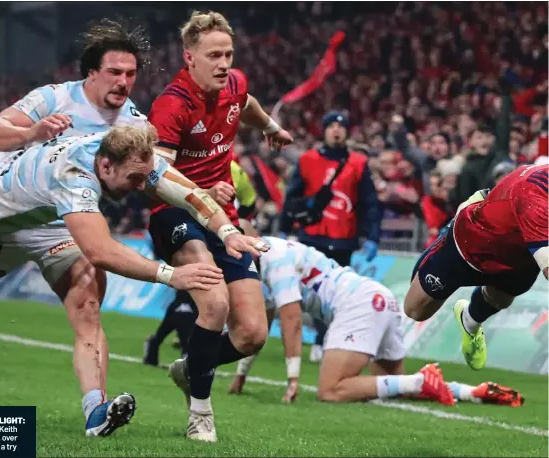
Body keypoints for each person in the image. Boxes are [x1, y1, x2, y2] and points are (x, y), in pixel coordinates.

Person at [0, 126, 266, 436]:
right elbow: (100, 250)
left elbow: (192, 196)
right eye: (134, 179)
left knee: (87, 297)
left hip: (44, 222)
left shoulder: (134, 156)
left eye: (145, 176)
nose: (143, 186)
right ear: (105, 166)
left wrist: (228, 233)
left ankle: (96, 411)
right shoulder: (74, 178)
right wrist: (172, 275)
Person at [147, 11, 292, 442]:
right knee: (213, 304)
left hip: (224, 219)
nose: (223, 63)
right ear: (189, 57)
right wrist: (208, 186)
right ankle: (200, 414)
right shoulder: (171, 104)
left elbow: (244, 105)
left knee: (251, 334)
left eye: (228, 54)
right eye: (214, 55)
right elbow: (157, 182)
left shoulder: (234, 84)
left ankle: (192, 365)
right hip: (175, 215)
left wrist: (270, 126)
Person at [228, 224, 523, 407]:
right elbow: (263, 320)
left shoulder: (270, 258)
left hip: (356, 304)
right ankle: (474, 392)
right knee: (393, 388)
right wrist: (241, 377)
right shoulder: (266, 256)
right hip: (377, 297)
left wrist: (293, 380)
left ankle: (422, 382)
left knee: (331, 390)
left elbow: (290, 319)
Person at [405, 164, 548, 371]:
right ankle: (446, 237)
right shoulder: (536, 195)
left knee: (501, 299)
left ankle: (469, 321)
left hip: (519, 258)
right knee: (415, 310)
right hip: (470, 247)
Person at [279, 111, 382, 364]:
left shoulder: (358, 163)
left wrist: (373, 237)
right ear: (323, 131)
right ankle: (320, 337)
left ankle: (326, 339)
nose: (336, 130)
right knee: (313, 292)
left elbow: (370, 203)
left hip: (343, 238)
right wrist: (283, 227)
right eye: (331, 126)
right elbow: (292, 198)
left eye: (341, 126)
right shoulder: (307, 160)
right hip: (312, 236)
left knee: (338, 293)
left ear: (347, 132)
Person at [143, 160, 258, 366]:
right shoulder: (178, 161)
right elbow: (160, 189)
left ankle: (165, 344)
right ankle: (186, 352)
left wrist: (237, 223)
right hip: (181, 228)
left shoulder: (233, 169)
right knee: (191, 294)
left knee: (194, 297)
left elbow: (249, 202)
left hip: (220, 234)